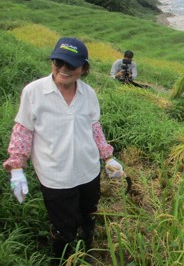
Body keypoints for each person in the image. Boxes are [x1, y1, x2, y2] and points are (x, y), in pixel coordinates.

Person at [3, 37, 124, 264]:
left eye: (71, 65)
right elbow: (23, 132)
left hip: (88, 171)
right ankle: (63, 257)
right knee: (64, 225)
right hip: (55, 175)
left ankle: (86, 246)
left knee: (89, 211)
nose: (64, 69)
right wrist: (17, 168)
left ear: (83, 68)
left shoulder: (89, 94)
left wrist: (108, 157)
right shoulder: (34, 92)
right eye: (59, 62)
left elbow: (94, 128)